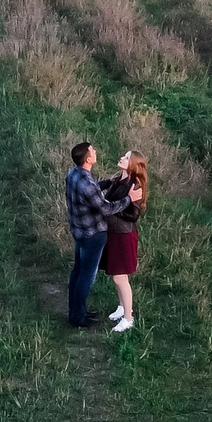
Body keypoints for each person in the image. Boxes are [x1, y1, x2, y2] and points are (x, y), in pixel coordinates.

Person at [99, 151, 148, 333]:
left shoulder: (135, 185)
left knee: (120, 277)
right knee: (117, 275)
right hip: (114, 233)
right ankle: (122, 307)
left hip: (123, 234)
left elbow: (133, 215)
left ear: (133, 164)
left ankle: (128, 318)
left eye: (126, 157)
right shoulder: (118, 179)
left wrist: (109, 209)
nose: (121, 158)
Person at [64, 141, 112, 328]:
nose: (95, 151)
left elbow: (90, 192)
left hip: (79, 231)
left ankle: (76, 311)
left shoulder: (73, 173)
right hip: (93, 234)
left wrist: (108, 182)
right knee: (86, 276)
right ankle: (78, 318)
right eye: (93, 150)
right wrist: (128, 199)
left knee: (77, 272)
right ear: (87, 158)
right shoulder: (87, 183)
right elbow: (106, 209)